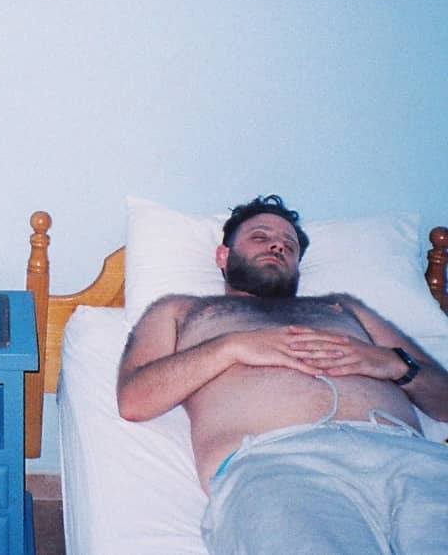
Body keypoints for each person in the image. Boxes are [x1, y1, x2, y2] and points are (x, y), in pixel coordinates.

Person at [117, 195, 448, 554]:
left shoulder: (343, 307)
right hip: (277, 465)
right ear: (223, 256)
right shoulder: (182, 310)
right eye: (260, 237)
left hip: (407, 457)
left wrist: (397, 365)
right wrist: (231, 347)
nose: (278, 245)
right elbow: (134, 400)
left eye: (289, 246)